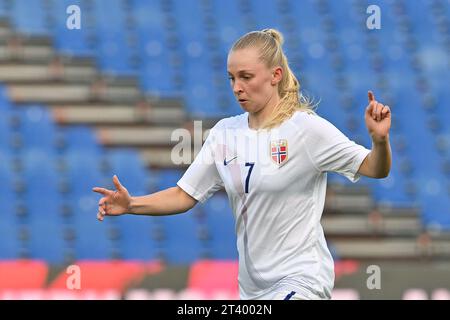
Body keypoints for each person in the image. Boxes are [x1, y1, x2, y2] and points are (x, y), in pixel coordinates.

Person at [93, 29, 392, 300]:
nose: (237, 87)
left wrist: (379, 142)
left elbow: (374, 168)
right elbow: (185, 194)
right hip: (251, 289)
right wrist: (132, 204)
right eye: (232, 78)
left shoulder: (306, 129)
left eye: (246, 77)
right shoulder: (225, 133)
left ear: (275, 75)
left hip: (302, 281)